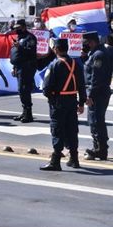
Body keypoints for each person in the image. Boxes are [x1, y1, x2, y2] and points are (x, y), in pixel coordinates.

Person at [40, 38, 86, 171]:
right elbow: (81, 85)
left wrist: (51, 97)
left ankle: (55, 161)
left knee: (57, 130)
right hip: (72, 100)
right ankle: (74, 159)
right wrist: (81, 102)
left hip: (58, 102)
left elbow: (46, 88)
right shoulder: (76, 64)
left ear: (57, 49)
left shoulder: (54, 65)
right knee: (72, 129)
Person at [82, 31, 113, 160]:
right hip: (99, 91)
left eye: (87, 42)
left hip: (98, 93)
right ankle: (100, 147)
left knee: (95, 121)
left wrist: (90, 95)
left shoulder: (98, 54)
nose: (86, 45)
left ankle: (100, 149)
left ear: (92, 41)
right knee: (96, 120)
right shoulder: (96, 53)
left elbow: (96, 78)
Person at [10, 19, 38, 123]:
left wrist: (20, 47)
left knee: (24, 89)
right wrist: (14, 67)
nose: (16, 30)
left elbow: (30, 52)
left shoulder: (29, 38)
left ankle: (28, 114)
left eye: (18, 28)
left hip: (27, 67)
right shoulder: (19, 37)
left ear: (24, 27)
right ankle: (24, 112)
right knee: (21, 90)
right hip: (19, 66)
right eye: (15, 28)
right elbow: (16, 54)